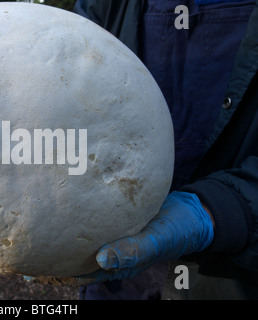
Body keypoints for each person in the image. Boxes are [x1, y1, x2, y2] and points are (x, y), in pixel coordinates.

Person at [59, 0, 258, 299]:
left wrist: (225, 210)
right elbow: (60, 86)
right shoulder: (107, 7)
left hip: (231, 277)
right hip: (111, 267)